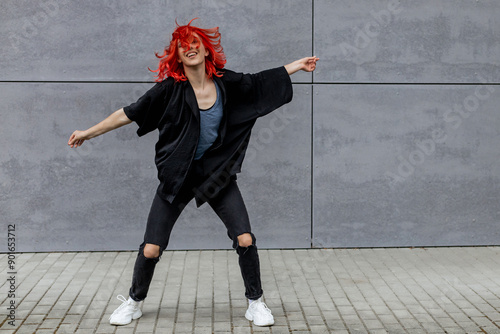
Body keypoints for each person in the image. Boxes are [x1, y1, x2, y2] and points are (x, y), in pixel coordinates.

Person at [68, 18, 318, 327]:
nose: (190, 48)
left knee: (245, 239)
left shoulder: (225, 81)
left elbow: (258, 82)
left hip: (216, 176)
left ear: (206, 49)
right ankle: (133, 301)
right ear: (177, 55)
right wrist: (88, 132)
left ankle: (255, 303)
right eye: (183, 46)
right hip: (177, 178)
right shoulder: (170, 90)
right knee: (151, 248)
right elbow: (128, 113)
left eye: (195, 42)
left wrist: (297, 65)